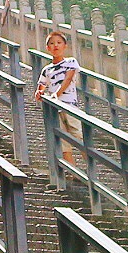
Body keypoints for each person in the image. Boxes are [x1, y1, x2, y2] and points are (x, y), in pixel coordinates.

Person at [34, 28, 84, 169]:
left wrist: (57, 93)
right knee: (63, 142)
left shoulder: (70, 62)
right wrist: (39, 93)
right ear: (47, 48)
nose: (55, 46)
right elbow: (41, 86)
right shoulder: (46, 70)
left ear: (65, 46)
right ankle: (73, 172)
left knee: (80, 137)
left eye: (59, 42)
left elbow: (68, 78)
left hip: (70, 106)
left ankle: (93, 171)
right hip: (54, 109)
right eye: (52, 43)